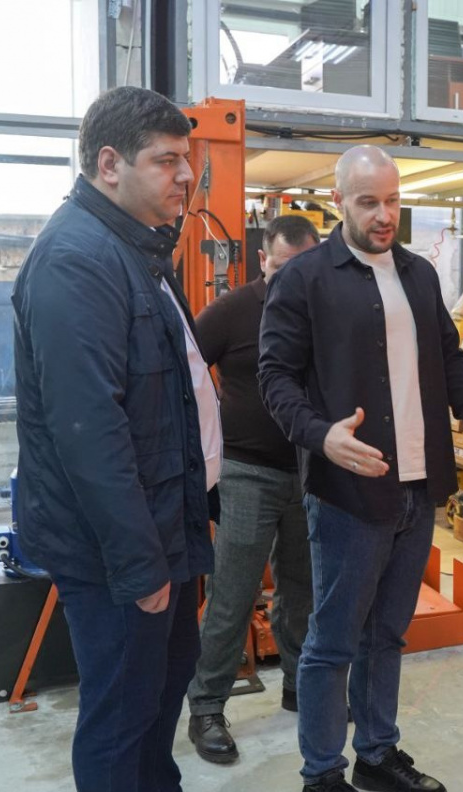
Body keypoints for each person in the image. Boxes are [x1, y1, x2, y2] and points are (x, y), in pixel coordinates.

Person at [258, 145, 463, 792]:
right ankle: (322, 773)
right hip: (348, 490)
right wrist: (321, 435)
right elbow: (275, 377)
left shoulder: (419, 275)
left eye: (393, 201)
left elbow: (450, 361)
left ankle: (376, 753)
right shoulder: (305, 279)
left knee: (387, 635)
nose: (383, 215)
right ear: (338, 201)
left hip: (419, 488)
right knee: (333, 640)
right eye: (368, 201)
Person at [12, 86, 222, 792]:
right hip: (119, 551)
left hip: (161, 526)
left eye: (187, 159)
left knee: (160, 693)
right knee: (122, 716)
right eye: (166, 160)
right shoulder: (76, 260)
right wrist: (139, 564)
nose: (186, 176)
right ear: (109, 165)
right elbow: (88, 433)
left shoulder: (135, 249)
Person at [185, 215, 321, 763]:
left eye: (303, 268)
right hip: (246, 473)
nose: (293, 279)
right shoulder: (232, 311)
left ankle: (299, 686)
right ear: (263, 260)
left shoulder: (324, 311)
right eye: (282, 268)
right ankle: (206, 707)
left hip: (312, 472)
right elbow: (184, 372)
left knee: (303, 592)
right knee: (234, 592)